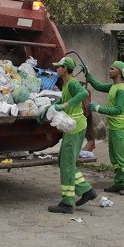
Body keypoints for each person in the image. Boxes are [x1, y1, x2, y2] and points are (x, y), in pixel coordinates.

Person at [47, 56, 98, 213]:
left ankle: (67, 203)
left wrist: (66, 105)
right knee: (64, 161)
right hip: (72, 127)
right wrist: (49, 108)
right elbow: (63, 99)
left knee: (67, 164)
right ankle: (86, 190)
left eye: (59, 67)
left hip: (75, 127)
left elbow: (83, 93)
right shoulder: (66, 84)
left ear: (65, 69)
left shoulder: (74, 83)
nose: (56, 69)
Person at [85, 61, 124, 195]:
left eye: (112, 68)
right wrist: (88, 74)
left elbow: (119, 109)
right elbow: (97, 86)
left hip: (120, 129)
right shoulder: (113, 86)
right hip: (114, 129)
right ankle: (119, 183)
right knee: (115, 159)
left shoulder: (121, 89)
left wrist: (98, 108)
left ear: (119, 72)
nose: (109, 70)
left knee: (122, 158)